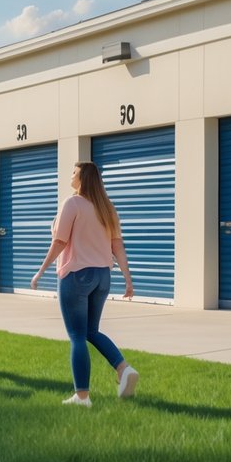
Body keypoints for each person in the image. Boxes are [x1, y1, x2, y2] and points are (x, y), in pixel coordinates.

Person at [31, 161, 139, 407]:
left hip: (77, 276)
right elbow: (118, 246)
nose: (71, 176)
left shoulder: (72, 203)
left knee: (77, 336)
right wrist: (128, 279)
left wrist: (40, 271)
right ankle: (124, 368)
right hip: (102, 277)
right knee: (91, 331)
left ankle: (82, 397)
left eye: (74, 173)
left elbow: (59, 242)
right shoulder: (107, 208)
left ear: (83, 179)